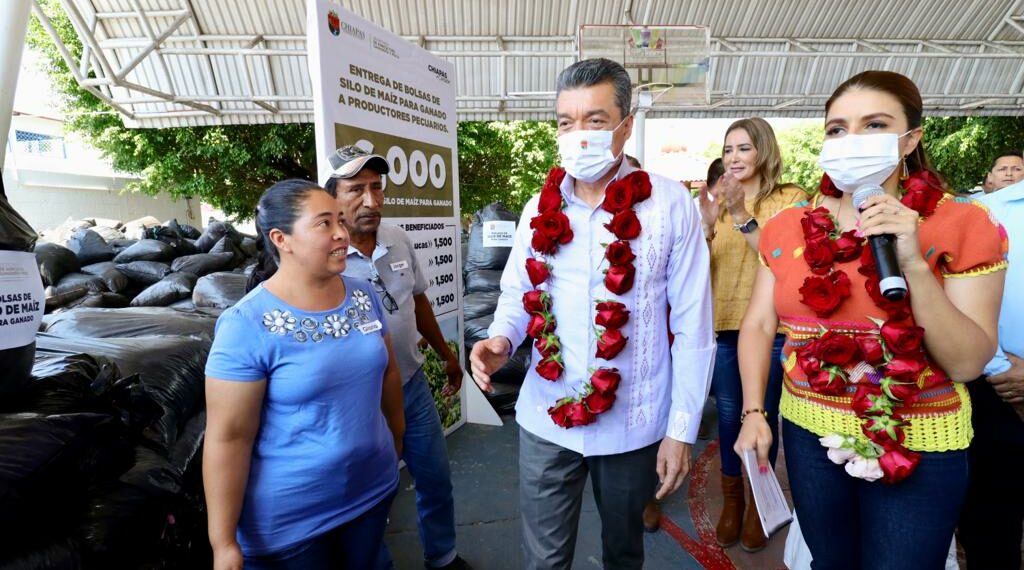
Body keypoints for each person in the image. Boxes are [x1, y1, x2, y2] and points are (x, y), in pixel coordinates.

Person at [735, 70, 1006, 569]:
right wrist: (755, 411)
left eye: (875, 125)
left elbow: (968, 362)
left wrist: (914, 264)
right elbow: (757, 324)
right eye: (837, 129)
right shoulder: (787, 226)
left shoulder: (964, 223)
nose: (852, 140)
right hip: (810, 434)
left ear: (911, 139)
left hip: (918, 440)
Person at [470, 57, 715, 569]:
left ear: (626, 126)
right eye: (566, 122)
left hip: (633, 424)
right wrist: (501, 339)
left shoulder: (669, 206)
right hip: (546, 417)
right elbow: (517, 291)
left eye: (595, 120)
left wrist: (681, 429)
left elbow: (693, 325)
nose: (578, 134)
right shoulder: (539, 209)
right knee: (544, 561)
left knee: (623, 554)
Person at [203, 179, 405, 570]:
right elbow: (229, 437)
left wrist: (396, 440)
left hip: (372, 491)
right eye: (324, 223)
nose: (341, 233)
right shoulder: (247, 323)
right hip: (292, 525)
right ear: (281, 239)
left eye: (340, 222)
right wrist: (223, 542)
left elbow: (389, 373)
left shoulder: (363, 295)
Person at [325, 145, 471, 570]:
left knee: (435, 479)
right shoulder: (326, 257)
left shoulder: (397, 239)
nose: (371, 201)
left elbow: (418, 301)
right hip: (358, 402)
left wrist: (446, 355)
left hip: (411, 385)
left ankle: (442, 556)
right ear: (332, 197)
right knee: (370, 499)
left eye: (376, 188)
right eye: (356, 190)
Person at [697, 118, 807, 552]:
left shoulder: (790, 199)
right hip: (725, 327)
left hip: (772, 328)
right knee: (729, 418)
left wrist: (742, 215)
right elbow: (696, 271)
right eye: (728, 150)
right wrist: (707, 228)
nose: (733, 157)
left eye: (743, 148)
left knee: (761, 414)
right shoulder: (717, 202)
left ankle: (762, 503)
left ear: (764, 150)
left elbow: (783, 261)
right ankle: (734, 501)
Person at [958, 177, 1023, 570]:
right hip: (1001, 394)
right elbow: (962, 305)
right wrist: (1001, 369)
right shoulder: (987, 212)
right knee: (991, 530)